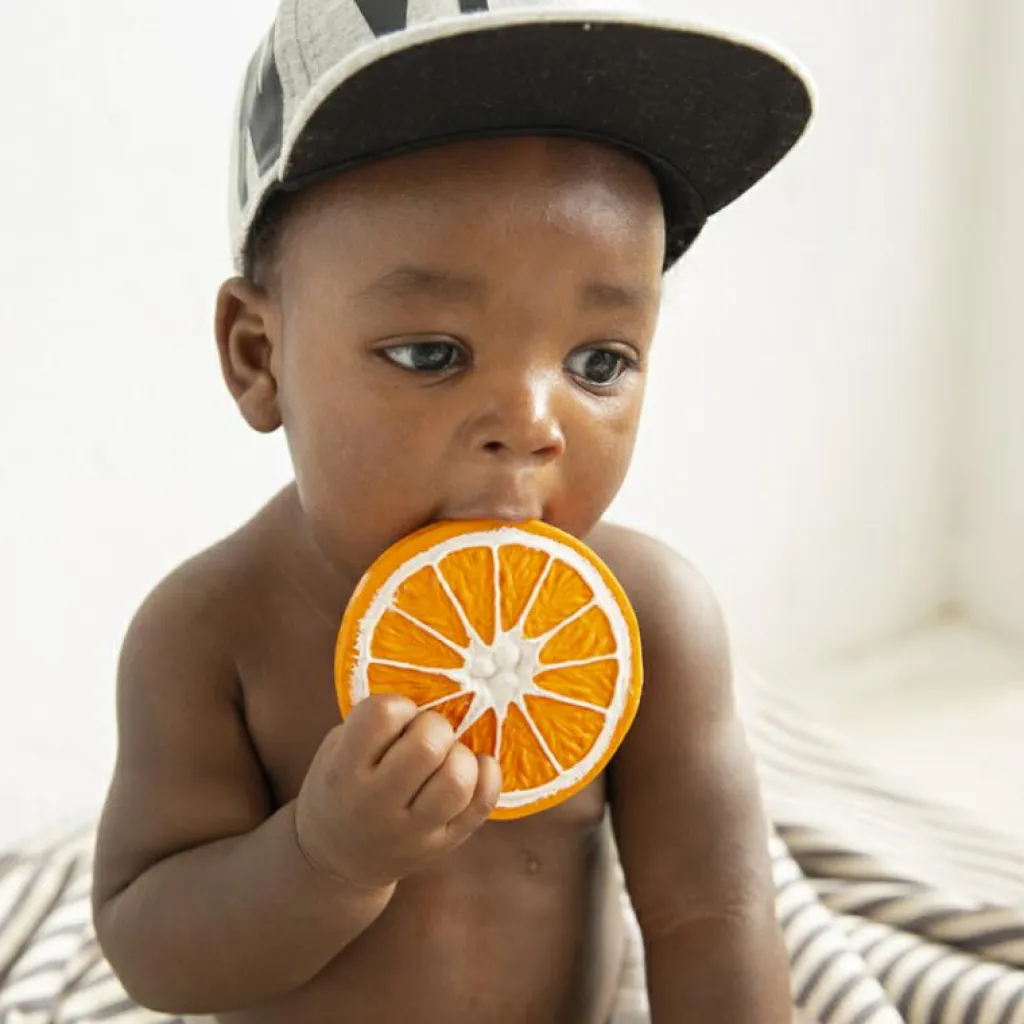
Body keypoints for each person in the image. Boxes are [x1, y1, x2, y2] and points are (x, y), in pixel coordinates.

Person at [91, 1, 813, 1021]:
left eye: (596, 362)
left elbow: (713, 910)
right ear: (259, 358)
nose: (527, 422)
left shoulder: (645, 621)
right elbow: (153, 952)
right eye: (431, 353)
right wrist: (321, 858)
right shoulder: (209, 636)